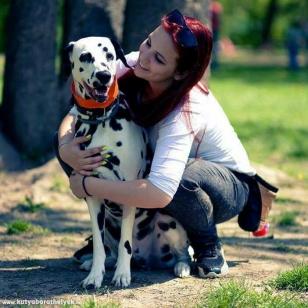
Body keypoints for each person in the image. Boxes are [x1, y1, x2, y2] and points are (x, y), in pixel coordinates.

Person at [57, 9, 262, 278]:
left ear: (179, 73)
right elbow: (79, 107)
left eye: (159, 58)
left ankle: (206, 244)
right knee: (79, 138)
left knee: (182, 177)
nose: (144, 56)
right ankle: (111, 238)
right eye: (149, 42)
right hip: (163, 173)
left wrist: (85, 185)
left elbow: (160, 191)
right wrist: (65, 147)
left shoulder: (187, 109)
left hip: (226, 188)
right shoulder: (135, 64)